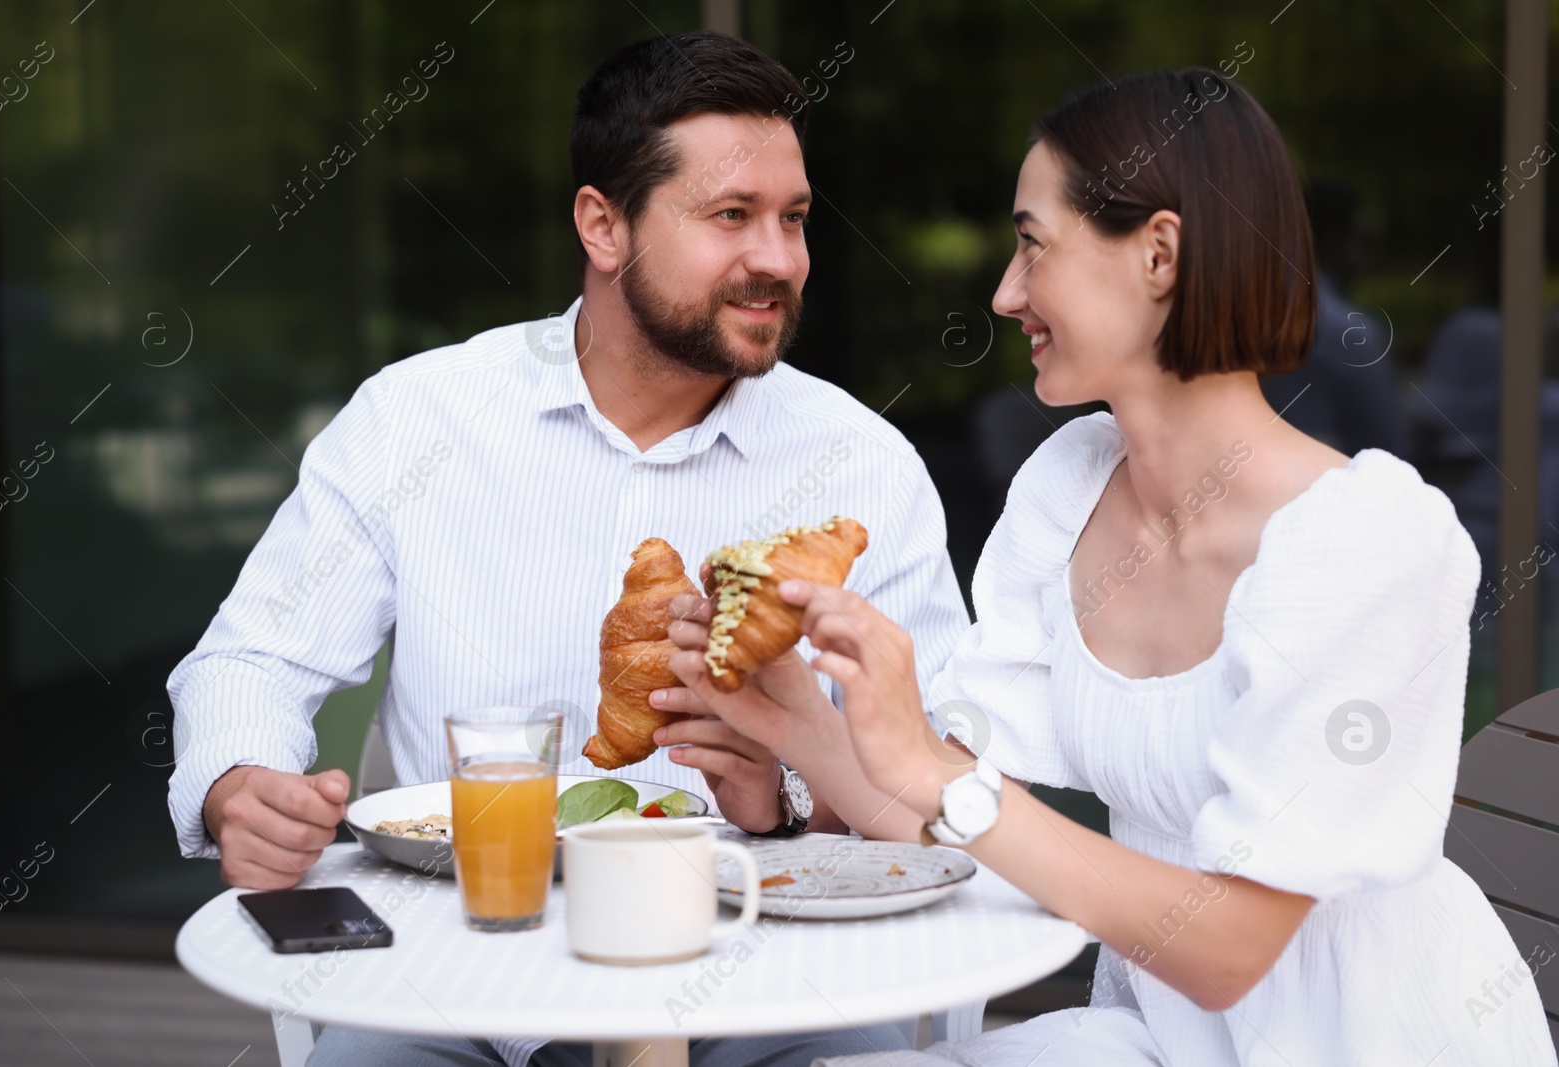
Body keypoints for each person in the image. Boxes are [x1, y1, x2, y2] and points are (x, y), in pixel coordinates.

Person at [662, 70, 1559, 1065]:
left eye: (1032, 242)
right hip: (1159, 1033)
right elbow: (946, 822)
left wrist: (929, 768)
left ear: (1160, 254)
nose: (1005, 292)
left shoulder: (1366, 536)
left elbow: (1228, 946)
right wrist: (801, 720)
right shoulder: (1073, 485)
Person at [165, 31, 969, 1067]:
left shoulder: (862, 467)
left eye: (794, 218)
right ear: (602, 224)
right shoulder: (419, 420)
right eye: (731, 216)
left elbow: (950, 770)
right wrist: (242, 782)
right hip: (463, 984)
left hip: (767, 979)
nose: (778, 258)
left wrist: (792, 800)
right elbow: (251, 659)